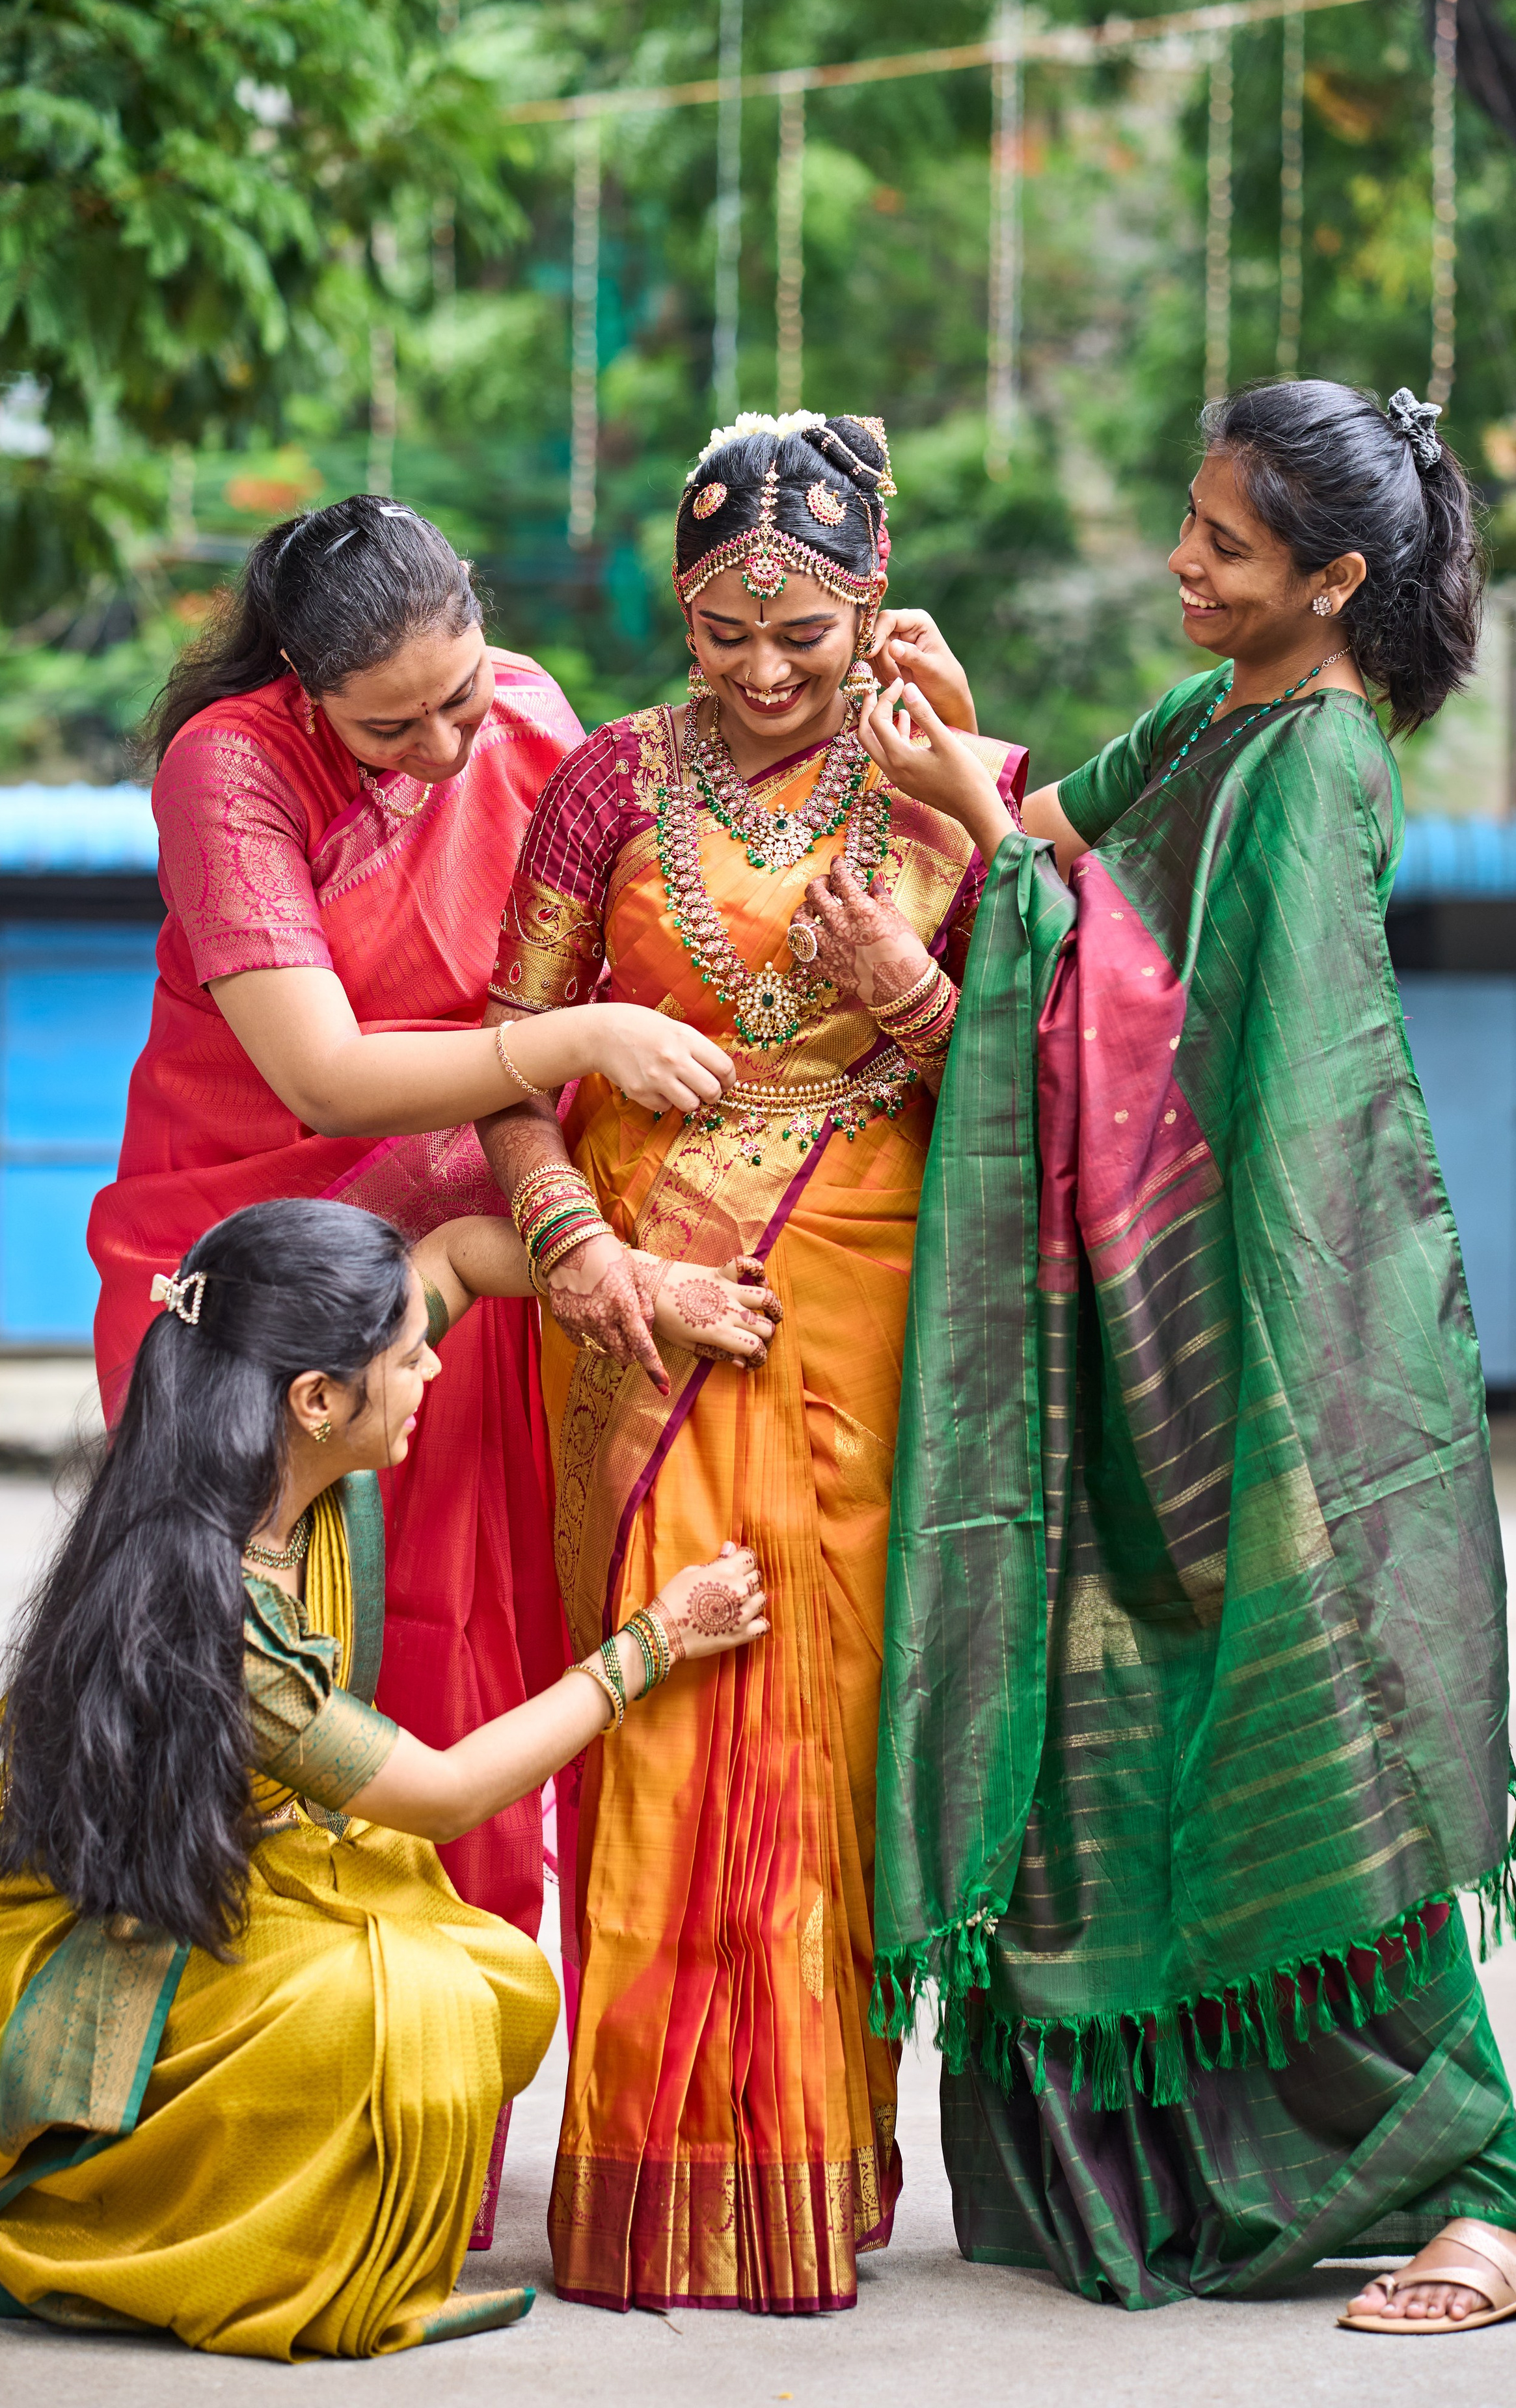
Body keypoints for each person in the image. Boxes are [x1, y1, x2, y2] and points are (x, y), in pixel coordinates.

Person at [865, 380, 1516, 2333]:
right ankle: (1190, 2154)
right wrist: (946, 761)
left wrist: (941, 960)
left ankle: (1501, 2197)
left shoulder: (1325, 762)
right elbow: (1045, 851)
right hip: (1147, 1300)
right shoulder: (1221, 711)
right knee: (1119, 1768)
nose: (1182, 563)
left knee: (1306, 1751)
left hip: (1256, 1326)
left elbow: (1260, 1068)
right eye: (1189, 523)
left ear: (1335, 580)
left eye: (1225, 546)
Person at [479, 409, 1024, 2314]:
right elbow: (513, 1070)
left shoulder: (965, 785)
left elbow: (1071, 1106)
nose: (772, 669)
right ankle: (640, 2179)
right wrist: (586, 1254)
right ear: (685, 612)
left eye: (810, 628)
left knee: (824, 1721)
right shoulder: (606, 789)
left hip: (868, 1321)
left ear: (876, 601)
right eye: (728, 630)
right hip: (643, 1318)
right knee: (662, 1717)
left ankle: (810, 2161)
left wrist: (918, 991)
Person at [0, 1198, 768, 2357]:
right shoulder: (219, 1607)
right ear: (317, 1400)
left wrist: (646, 1285)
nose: (431, 1372)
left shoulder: (261, 1461)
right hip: (117, 1934)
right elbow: (450, 1791)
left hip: (241, 1863)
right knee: (421, 2015)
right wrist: (654, 1641)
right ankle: (105, 2207)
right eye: (408, 1359)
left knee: (497, 1983)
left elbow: (461, 1254)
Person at [88, 496, 735, 1992]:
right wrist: (572, 1039)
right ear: (307, 693)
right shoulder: (230, 767)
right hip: (252, 1274)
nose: (449, 747)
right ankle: (180, 2034)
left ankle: (439, 2027)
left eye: (461, 692)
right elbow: (320, 1077)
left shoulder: (526, 713)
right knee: (220, 1664)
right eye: (392, 732)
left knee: (461, 1634)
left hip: (463, 1254)